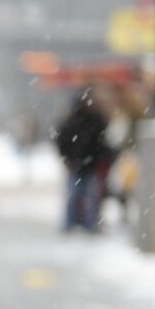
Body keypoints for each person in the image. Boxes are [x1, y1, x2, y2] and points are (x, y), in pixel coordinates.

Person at [54, 87, 110, 233]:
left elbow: (102, 143)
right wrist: (67, 158)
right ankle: (73, 223)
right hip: (77, 165)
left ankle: (86, 223)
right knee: (76, 196)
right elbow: (61, 141)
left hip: (88, 166)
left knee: (88, 196)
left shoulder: (95, 121)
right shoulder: (75, 122)